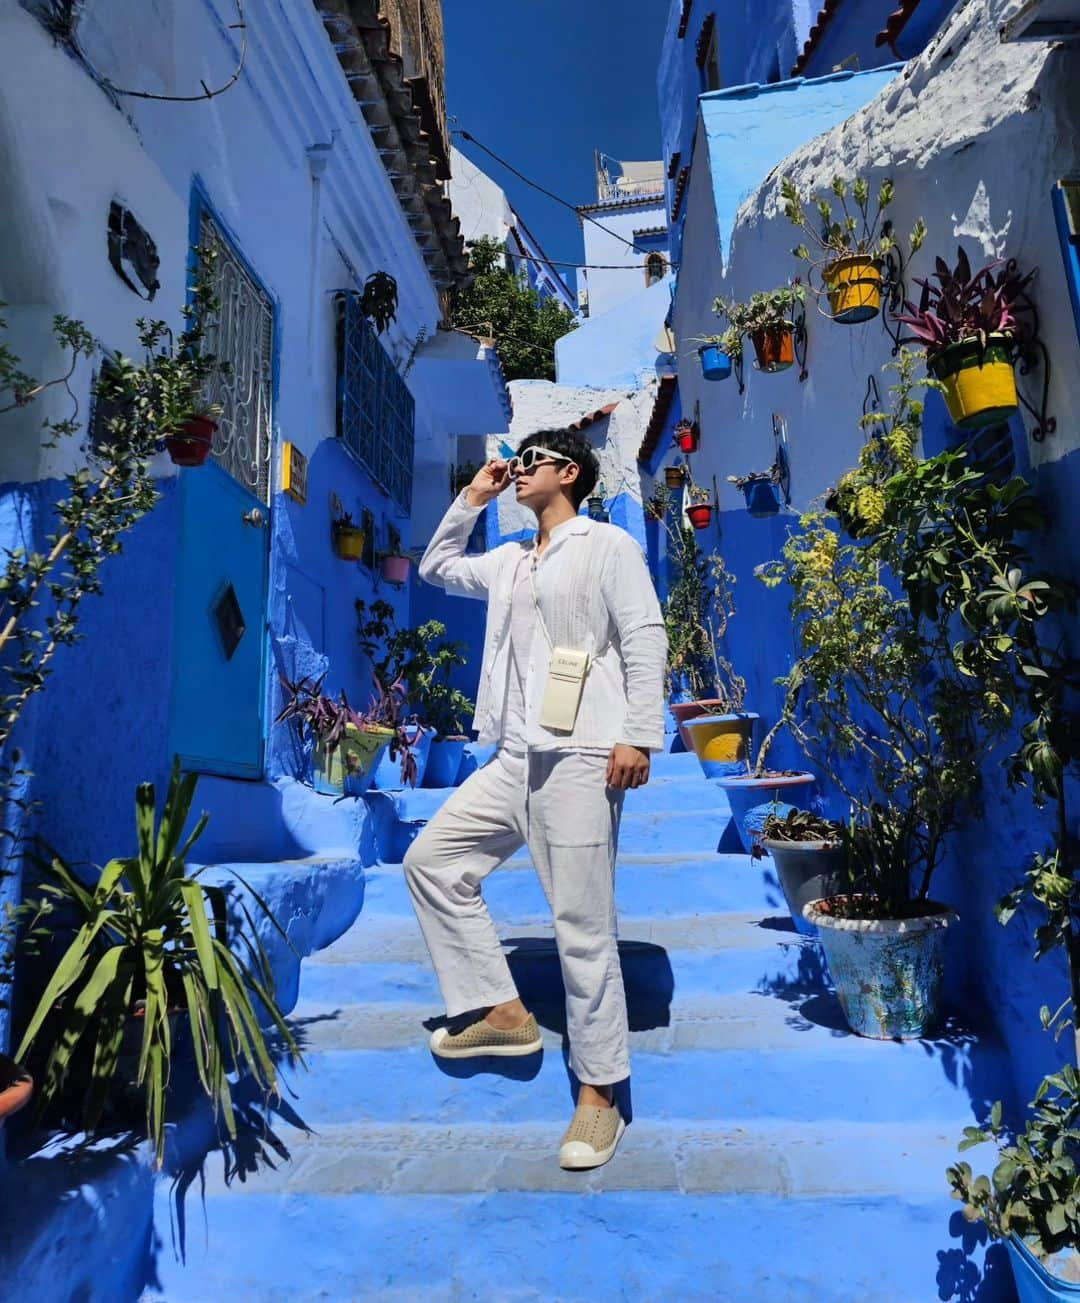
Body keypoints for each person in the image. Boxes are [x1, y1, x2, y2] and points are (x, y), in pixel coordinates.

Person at [403, 428, 666, 1170]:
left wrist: (638, 734)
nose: (518, 472)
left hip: (582, 755)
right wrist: (472, 497)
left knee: (580, 926)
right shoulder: (512, 560)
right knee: (431, 862)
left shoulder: (605, 544)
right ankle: (504, 1009)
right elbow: (436, 566)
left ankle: (600, 1096)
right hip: (513, 756)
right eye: (514, 463)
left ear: (569, 472)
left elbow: (644, 634)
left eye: (530, 462)